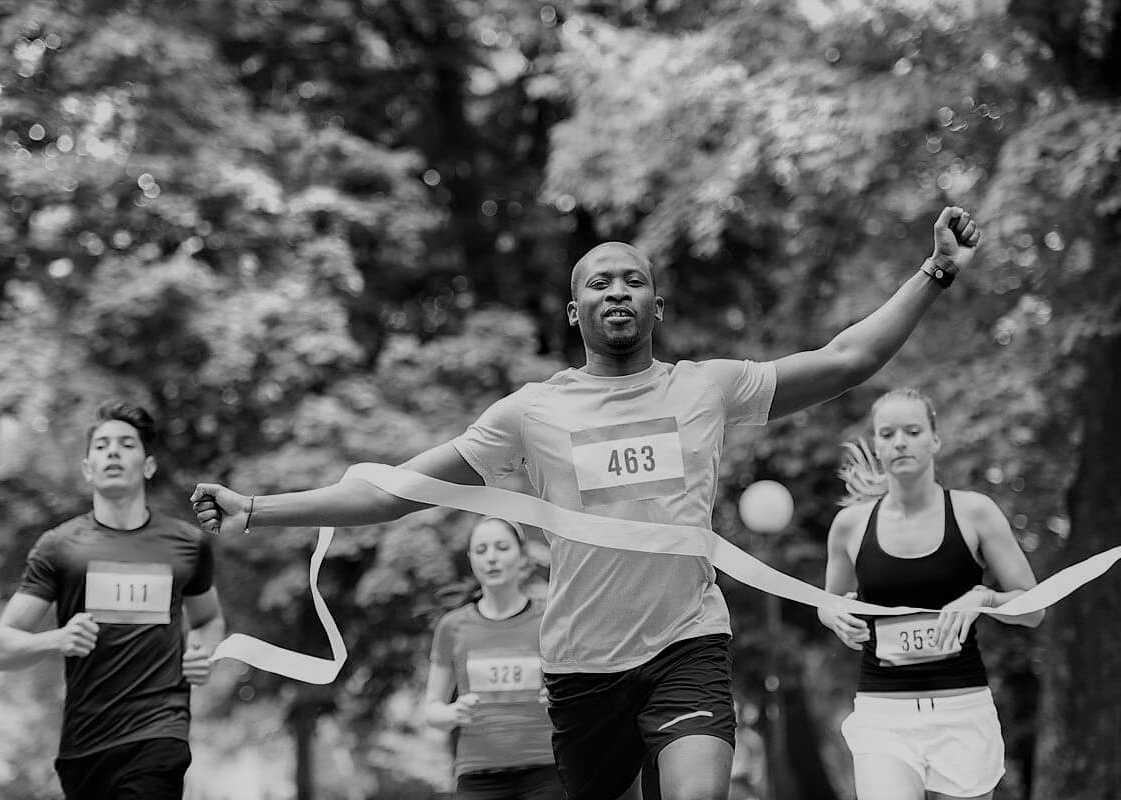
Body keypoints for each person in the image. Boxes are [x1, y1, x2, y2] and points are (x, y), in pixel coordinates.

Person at [192, 206, 981, 800]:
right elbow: (393, 491)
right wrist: (258, 509)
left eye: (633, 279)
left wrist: (935, 271)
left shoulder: (705, 387)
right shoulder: (531, 413)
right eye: (598, 281)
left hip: (687, 644)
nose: (617, 289)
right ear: (576, 312)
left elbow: (850, 358)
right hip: (580, 666)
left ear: (655, 306)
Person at [0, 402, 224, 800]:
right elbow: (1, 649)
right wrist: (56, 640)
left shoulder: (187, 543)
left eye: (126, 444)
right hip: (85, 744)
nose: (113, 452)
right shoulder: (58, 547)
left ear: (148, 465)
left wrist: (205, 652)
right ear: (87, 468)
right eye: (101, 445)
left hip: (159, 730)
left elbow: (209, 619)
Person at [817, 388, 1045, 800]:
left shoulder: (975, 512)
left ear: (935, 440)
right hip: (883, 716)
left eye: (912, 430)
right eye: (886, 434)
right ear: (876, 444)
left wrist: (985, 599)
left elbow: (1034, 611)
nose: (899, 442)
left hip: (963, 713)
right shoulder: (849, 526)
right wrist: (835, 617)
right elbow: (829, 604)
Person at [424, 516, 561, 800]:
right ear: (471, 559)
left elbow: (583, 693)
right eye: (482, 550)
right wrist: (452, 712)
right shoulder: (452, 626)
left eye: (501, 547)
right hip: (476, 774)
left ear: (523, 557)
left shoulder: (550, 619)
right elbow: (432, 710)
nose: (492, 558)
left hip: (547, 771)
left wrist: (561, 698)